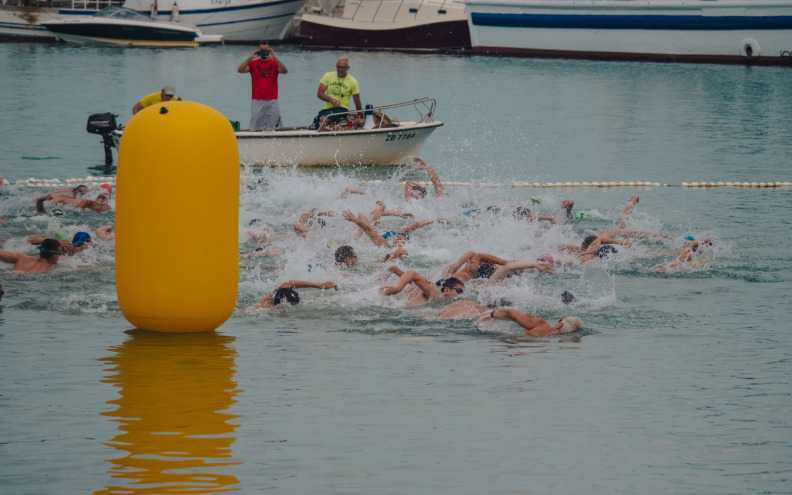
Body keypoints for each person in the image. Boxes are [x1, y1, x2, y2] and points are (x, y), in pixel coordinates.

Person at [237, 42, 288, 131]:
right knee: (255, 126)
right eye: (262, 50)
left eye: (266, 50)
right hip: (257, 100)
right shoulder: (253, 63)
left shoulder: (274, 63)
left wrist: (275, 58)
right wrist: (250, 58)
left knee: (273, 127)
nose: (264, 52)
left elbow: (285, 71)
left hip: (272, 100)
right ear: (258, 51)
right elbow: (240, 70)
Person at [311, 57, 362, 131]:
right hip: (327, 109)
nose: (340, 69)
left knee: (323, 119)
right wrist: (330, 99)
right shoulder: (328, 76)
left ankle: (323, 137)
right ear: (336, 66)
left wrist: (360, 116)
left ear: (348, 68)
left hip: (342, 109)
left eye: (343, 68)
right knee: (316, 121)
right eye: (339, 67)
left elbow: (357, 101)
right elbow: (319, 93)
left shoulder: (353, 82)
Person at [381, 267, 465, 307]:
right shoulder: (436, 292)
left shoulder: (426, 290)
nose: (460, 295)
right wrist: (397, 288)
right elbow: (412, 273)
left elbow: (394, 268)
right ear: (446, 290)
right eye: (459, 291)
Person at [477, 310, 583, 336]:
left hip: (488, 337)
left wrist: (490, 315)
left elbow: (511, 313)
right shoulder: (547, 346)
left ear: (560, 325)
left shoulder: (542, 325)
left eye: (560, 320)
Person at [255, 280, 338, 309]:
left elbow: (289, 283)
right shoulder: (266, 310)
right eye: (294, 304)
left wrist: (320, 286)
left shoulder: (273, 296)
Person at [36, 192, 111, 214]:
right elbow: (62, 200)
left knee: (45, 213)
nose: (100, 198)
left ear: (106, 202)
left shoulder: (105, 207)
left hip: (69, 212)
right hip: (69, 210)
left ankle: (40, 201)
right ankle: (41, 201)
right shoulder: (79, 200)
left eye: (103, 197)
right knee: (45, 213)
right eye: (99, 195)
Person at [27, 231, 92, 256]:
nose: (89, 245)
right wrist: (41, 240)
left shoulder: (88, 249)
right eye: (88, 243)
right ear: (83, 243)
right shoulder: (68, 246)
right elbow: (55, 241)